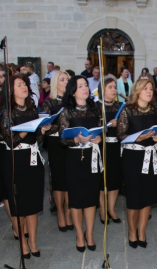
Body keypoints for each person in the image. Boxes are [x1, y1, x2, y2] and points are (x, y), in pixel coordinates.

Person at [0, 74, 51, 258]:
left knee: (33, 204)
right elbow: (10, 141)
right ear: (10, 89)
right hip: (15, 160)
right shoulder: (6, 112)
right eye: (19, 84)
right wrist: (27, 129)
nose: (24, 87)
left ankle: (33, 241)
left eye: (25, 84)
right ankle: (23, 243)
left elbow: (38, 140)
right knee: (19, 204)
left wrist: (41, 130)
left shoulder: (32, 109)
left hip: (33, 158)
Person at [117, 79, 157, 249]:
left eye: (151, 88)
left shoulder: (155, 110)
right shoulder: (127, 110)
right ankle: (132, 231)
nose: (149, 91)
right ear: (137, 90)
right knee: (134, 197)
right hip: (133, 158)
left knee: (148, 197)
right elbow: (120, 135)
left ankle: (142, 231)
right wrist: (138, 137)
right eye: (145, 89)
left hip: (151, 157)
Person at [59, 75, 101, 252]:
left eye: (86, 85)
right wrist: (76, 139)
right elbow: (63, 139)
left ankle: (89, 233)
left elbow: (100, 130)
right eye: (80, 86)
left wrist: (99, 138)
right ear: (73, 91)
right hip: (75, 159)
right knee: (76, 200)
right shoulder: (66, 112)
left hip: (92, 155)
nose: (85, 88)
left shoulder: (95, 108)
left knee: (91, 198)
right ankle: (79, 234)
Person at [41, 71, 72, 232]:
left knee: (70, 178)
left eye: (67, 79)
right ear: (55, 83)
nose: (66, 81)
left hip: (71, 142)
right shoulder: (49, 103)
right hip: (55, 143)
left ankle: (68, 213)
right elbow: (44, 126)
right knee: (59, 180)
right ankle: (60, 212)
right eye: (62, 79)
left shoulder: (72, 102)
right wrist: (58, 124)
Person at [97, 77, 123, 225]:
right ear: (103, 90)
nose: (114, 90)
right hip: (101, 146)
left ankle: (111, 209)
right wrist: (106, 125)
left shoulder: (120, 106)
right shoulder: (95, 106)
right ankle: (102, 210)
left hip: (116, 146)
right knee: (102, 180)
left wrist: (120, 124)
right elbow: (92, 128)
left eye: (115, 87)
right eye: (110, 87)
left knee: (115, 179)